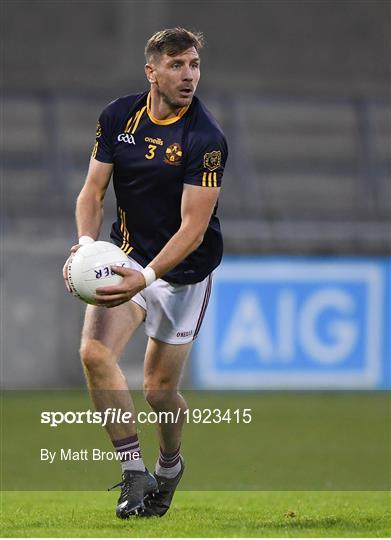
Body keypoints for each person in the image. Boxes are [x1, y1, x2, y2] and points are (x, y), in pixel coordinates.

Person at [63, 27, 228, 519]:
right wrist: (88, 247)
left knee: (158, 390)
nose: (189, 75)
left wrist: (149, 277)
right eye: (177, 65)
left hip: (182, 272)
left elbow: (193, 229)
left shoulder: (206, 137)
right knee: (94, 352)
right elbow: (92, 192)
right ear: (151, 71)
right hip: (128, 255)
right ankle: (134, 471)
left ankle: (170, 466)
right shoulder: (118, 117)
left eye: (194, 64)